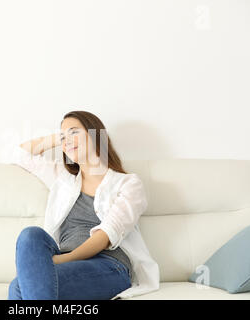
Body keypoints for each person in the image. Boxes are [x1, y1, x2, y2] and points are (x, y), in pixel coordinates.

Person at [8, 110, 159, 300]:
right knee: (30, 235)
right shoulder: (62, 178)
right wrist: (61, 138)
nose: (67, 140)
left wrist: (58, 261)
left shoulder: (128, 184)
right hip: (64, 261)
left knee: (19, 287)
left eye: (74, 132)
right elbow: (19, 153)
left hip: (109, 265)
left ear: (95, 134)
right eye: (63, 137)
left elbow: (106, 235)